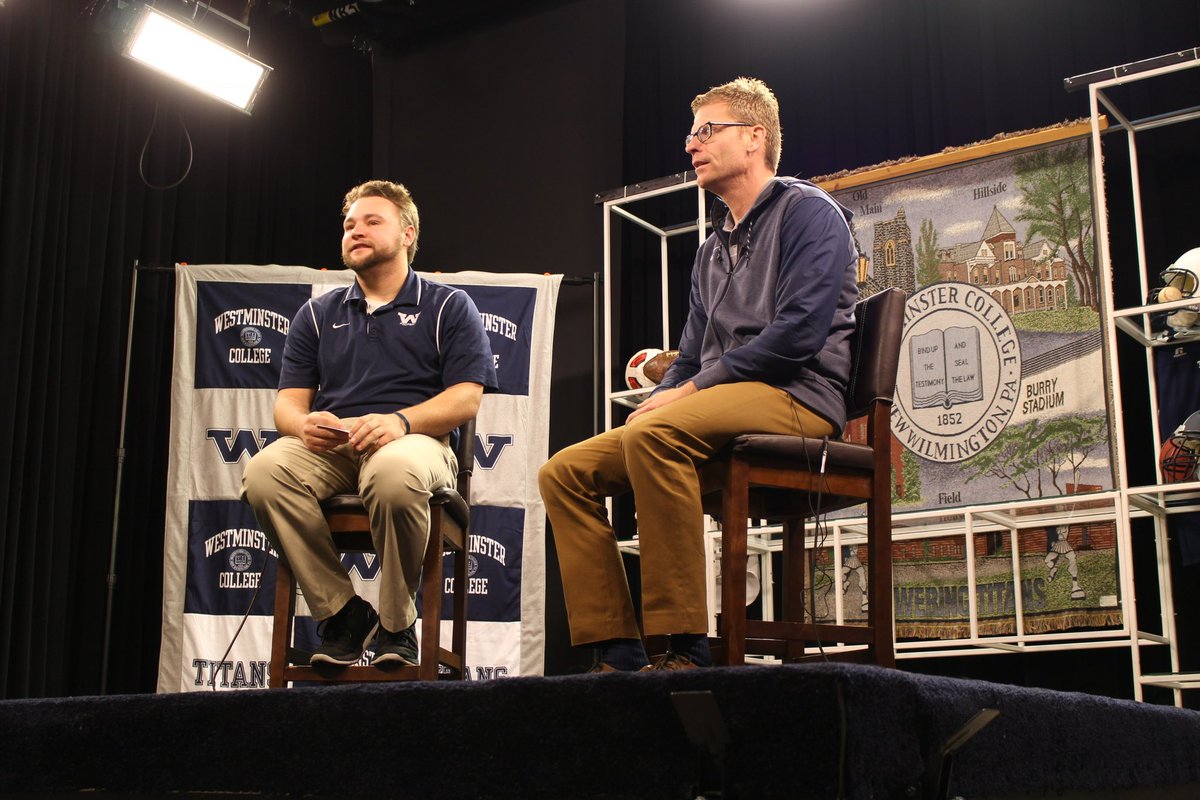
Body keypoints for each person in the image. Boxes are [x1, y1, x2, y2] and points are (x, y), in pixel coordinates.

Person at [539, 77, 859, 671]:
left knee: (654, 434)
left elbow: (798, 334)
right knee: (565, 472)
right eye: (691, 133)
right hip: (729, 397)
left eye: (707, 130)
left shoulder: (809, 213)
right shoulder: (713, 250)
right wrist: (664, 394)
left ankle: (683, 643)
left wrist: (684, 393)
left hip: (800, 396)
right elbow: (691, 356)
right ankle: (617, 647)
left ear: (755, 138)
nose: (691, 144)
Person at [242, 180, 497, 667]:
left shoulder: (448, 305)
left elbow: (466, 399)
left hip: (417, 441)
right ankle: (344, 613)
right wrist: (303, 425)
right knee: (263, 473)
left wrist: (401, 421)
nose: (355, 231)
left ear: (407, 233)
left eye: (371, 221)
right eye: (349, 225)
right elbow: (286, 407)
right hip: (336, 446)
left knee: (393, 473)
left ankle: (398, 625)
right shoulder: (316, 314)